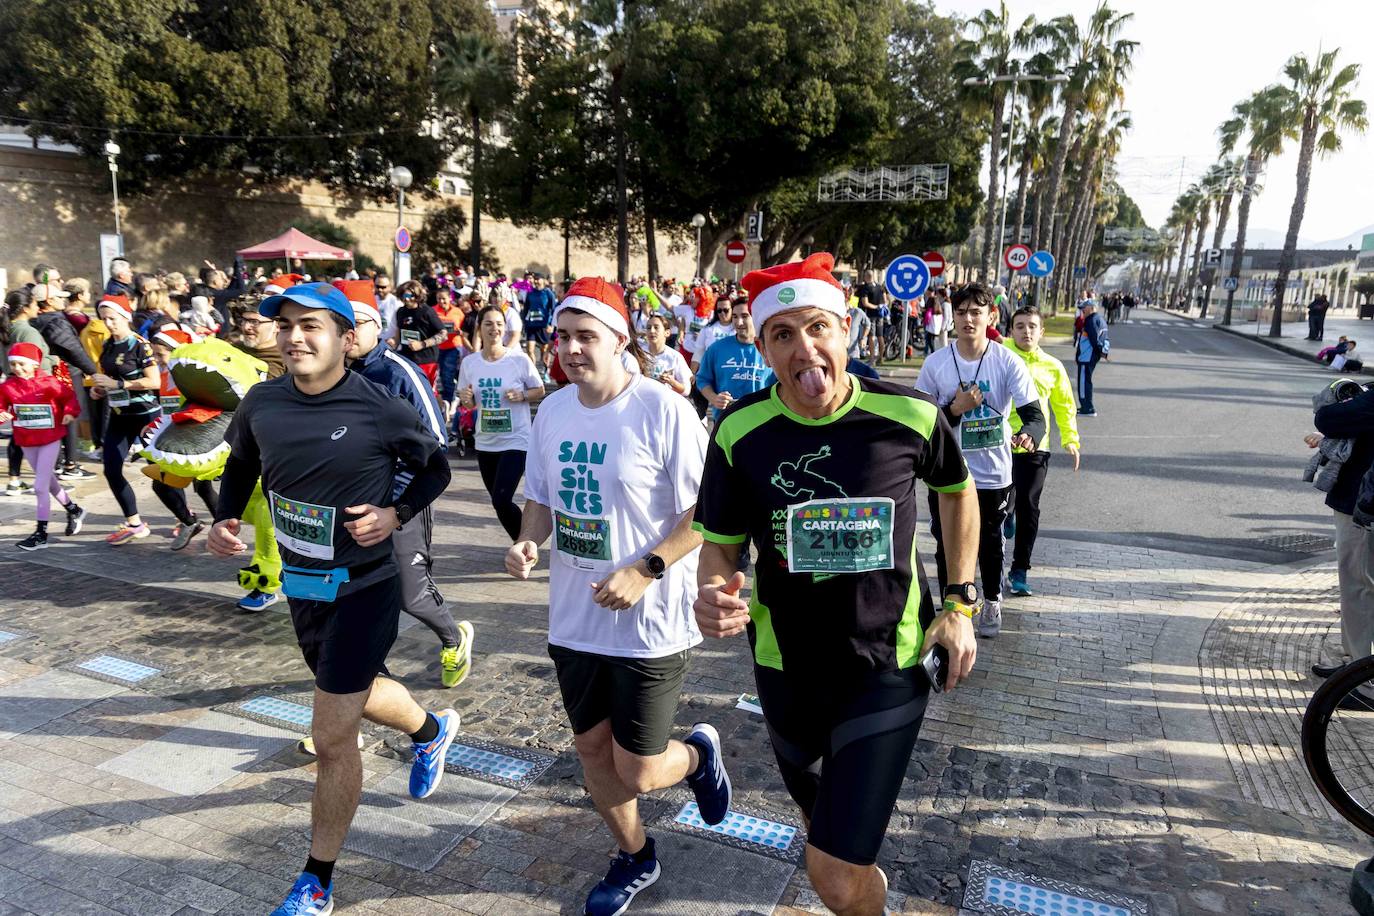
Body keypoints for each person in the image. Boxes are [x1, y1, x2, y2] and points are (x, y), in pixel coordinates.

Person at [692, 252, 979, 916]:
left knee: (829, 865)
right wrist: (714, 594)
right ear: (762, 345)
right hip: (786, 668)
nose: (805, 349)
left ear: (848, 329)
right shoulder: (740, 432)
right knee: (839, 851)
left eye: (818, 327)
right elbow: (721, 548)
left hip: (889, 662)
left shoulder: (907, 415)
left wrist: (960, 602)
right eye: (783, 334)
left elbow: (957, 493)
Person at [207, 282, 461, 916]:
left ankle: (317, 880)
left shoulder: (377, 406)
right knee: (354, 688)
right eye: (286, 325)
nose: (295, 336)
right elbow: (243, 463)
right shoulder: (262, 403)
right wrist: (225, 518)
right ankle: (431, 730)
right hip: (303, 583)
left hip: (366, 585)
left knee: (330, 735)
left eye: (311, 325)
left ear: (346, 339)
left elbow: (437, 467)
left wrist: (394, 513)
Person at [506, 277, 731, 916]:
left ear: (620, 339)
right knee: (589, 750)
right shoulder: (552, 411)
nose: (572, 349)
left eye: (587, 337)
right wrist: (527, 540)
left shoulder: (662, 409)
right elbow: (542, 497)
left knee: (636, 769)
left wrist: (646, 568)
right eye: (563, 336)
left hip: (650, 621)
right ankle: (636, 855)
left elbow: (705, 508)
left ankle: (697, 755)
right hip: (574, 619)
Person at [339, 280, 475, 689]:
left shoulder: (398, 372)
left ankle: (455, 638)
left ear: (377, 327)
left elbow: (435, 443)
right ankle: (355, 695)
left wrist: (396, 505)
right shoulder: (331, 376)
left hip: (399, 505)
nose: (347, 334)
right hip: (348, 510)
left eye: (356, 324)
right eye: (339, 325)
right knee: (353, 601)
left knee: (409, 595)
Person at [915, 283, 1045, 638]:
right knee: (946, 541)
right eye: (961, 313)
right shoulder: (936, 363)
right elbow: (920, 421)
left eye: (976, 313)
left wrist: (1029, 435)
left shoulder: (1007, 361)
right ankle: (952, 605)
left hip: (993, 473)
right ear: (952, 316)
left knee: (989, 539)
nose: (968, 320)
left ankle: (991, 598)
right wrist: (955, 409)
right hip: (947, 471)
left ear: (991, 316)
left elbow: (1034, 415)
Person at [1001, 306, 1080, 597]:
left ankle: (1019, 570)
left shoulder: (1052, 366)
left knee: (1029, 508)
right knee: (1001, 506)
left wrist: (1071, 439)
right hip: (999, 445)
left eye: (1032, 326)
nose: (1026, 332)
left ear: (1042, 332)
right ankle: (1006, 519)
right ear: (1011, 330)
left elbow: (1063, 405)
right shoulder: (998, 358)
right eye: (1020, 326)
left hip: (1037, 447)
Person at [457, 305, 545, 540]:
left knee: (501, 498)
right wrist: (466, 400)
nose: (494, 329)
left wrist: (522, 396)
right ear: (479, 329)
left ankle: (525, 543)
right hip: (486, 442)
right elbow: (468, 403)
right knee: (499, 504)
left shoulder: (518, 359)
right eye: (488, 324)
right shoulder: (470, 363)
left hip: (516, 440)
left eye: (499, 324)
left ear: (505, 328)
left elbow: (539, 390)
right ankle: (522, 542)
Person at [1308, 387, 1374, 701]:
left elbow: (1328, 417)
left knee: (1359, 586)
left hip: (1362, 506)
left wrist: (1347, 395)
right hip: (1358, 501)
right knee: (1356, 584)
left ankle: (1362, 682)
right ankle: (1354, 667)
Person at [89, 294, 164, 546]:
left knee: (163, 472)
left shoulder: (140, 344)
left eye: (112, 318)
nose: (109, 323)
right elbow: (108, 379)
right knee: (110, 468)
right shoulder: (108, 345)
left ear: (125, 316)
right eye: (104, 319)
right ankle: (135, 523)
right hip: (120, 416)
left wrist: (119, 384)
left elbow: (154, 381)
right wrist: (99, 389)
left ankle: (184, 518)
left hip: (145, 415)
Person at [0, 342, 87, 549]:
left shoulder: (49, 383)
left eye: (22, 364)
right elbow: (2, 406)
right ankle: (74, 510)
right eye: (13, 365)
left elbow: (70, 398)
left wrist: (68, 413)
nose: (17, 369)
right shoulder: (8, 386)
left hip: (50, 438)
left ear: (35, 364)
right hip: (26, 440)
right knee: (49, 483)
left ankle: (41, 534)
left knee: (39, 487)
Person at [148, 327, 219, 551]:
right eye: (154, 354)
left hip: (197, 439)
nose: (156, 359)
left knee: (203, 487)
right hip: (175, 439)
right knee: (161, 484)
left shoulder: (194, 377)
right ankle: (190, 522)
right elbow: (165, 410)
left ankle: (224, 528)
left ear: (177, 352)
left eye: (160, 354)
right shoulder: (162, 375)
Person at [696, 297, 773, 425]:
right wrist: (714, 399)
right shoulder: (717, 348)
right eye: (735, 317)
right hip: (725, 421)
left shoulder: (770, 349)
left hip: (761, 421)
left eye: (744, 316)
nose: (739, 322)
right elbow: (702, 379)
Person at [392, 280, 446, 387]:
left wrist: (422, 344)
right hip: (407, 358)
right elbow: (399, 332)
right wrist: (393, 342)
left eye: (409, 295)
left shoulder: (427, 311)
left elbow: (443, 334)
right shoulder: (401, 311)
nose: (406, 299)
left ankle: (443, 403)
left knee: (429, 391)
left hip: (427, 359)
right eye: (403, 295)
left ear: (417, 295)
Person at [432, 287, 468, 420]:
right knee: (440, 375)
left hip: (453, 346)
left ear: (450, 298)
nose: (441, 301)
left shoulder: (457, 312)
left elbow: (465, 329)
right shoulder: (433, 311)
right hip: (437, 347)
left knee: (448, 374)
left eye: (444, 299)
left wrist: (459, 331)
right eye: (439, 299)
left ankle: (450, 399)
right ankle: (450, 399)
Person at [643, 313, 693, 397]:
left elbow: (686, 390)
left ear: (667, 333)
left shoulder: (675, 357)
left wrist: (672, 382)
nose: (651, 331)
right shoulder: (638, 353)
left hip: (664, 403)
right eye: (648, 328)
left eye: (656, 327)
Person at [1075, 299, 1110, 416]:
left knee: (1084, 382)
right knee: (1086, 381)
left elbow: (1094, 339)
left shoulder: (1091, 321)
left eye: (1083, 308)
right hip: (1089, 356)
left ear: (1090, 308)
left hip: (1087, 357)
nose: (1082, 311)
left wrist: (1097, 352)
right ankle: (1086, 406)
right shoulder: (1099, 319)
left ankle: (1087, 408)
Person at [522, 275, 557, 374]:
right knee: (529, 349)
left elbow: (553, 309)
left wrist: (551, 324)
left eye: (538, 279)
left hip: (544, 326)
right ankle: (533, 373)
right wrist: (525, 322)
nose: (536, 281)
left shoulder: (548, 293)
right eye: (535, 279)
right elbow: (526, 309)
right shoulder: (530, 292)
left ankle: (545, 370)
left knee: (544, 350)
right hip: (531, 325)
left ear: (543, 281)